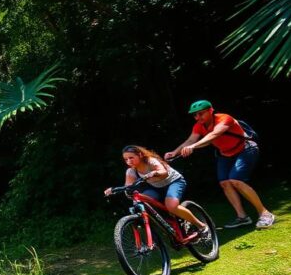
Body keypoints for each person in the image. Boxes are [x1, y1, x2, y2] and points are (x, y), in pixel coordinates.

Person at [164, 100, 276, 229]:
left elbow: (214, 134)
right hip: (225, 154)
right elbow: (190, 140)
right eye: (195, 115)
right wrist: (174, 152)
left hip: (245, 149)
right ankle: (242, 217)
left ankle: (265, 214)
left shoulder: (224, 118)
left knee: (235, 180)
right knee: (225, 183)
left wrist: (194, 146)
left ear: (210, 111)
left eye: (201, 114)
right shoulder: (198, 126)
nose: (198, 117)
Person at [104, 145, 211, 243]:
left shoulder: (151, 161)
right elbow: (129, 187)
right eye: (126, 159)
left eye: (131, 157)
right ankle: (169, 223)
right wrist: (116, 190)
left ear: (140, 155)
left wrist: (155, 173)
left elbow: (164, 173)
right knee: (143, 203)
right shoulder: (131, 171)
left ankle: (201, 226)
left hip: (174, 182)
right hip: (155, 187)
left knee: (171, 206)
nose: (128, 161)